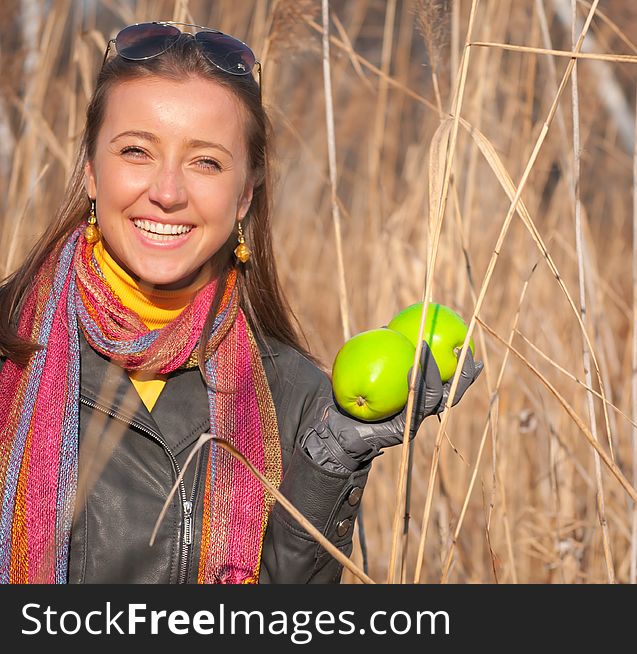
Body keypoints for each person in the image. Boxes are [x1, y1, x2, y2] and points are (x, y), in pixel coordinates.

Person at [0, 21, 482, 584]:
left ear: (246, 192)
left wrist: (333, 465)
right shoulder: (10, 353)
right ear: (89, 169)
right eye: (136, 151)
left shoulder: (298, 397)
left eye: (206, 162)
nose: (168, 191)